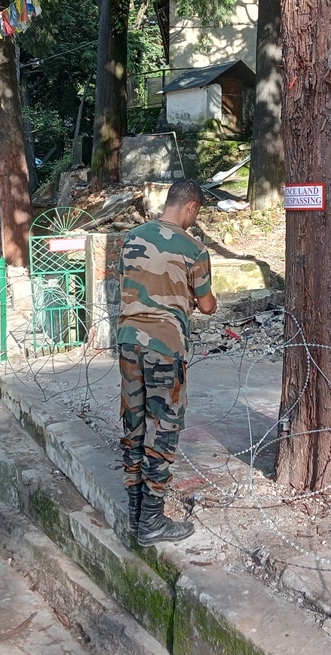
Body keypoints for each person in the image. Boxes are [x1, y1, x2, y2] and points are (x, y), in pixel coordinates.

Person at [116, 180, 216, 547]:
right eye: (197, 213)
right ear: (190, 207)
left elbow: (126, 284)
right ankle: (153, 521)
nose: (194, 218)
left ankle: (135, 510)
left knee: (134, 424)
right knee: (163, 428)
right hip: (165, 347)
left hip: (128, 342)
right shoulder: (193, 248)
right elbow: (206, 305)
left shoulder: (131, 237)